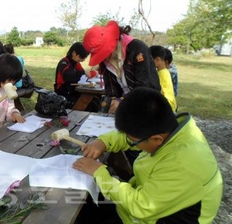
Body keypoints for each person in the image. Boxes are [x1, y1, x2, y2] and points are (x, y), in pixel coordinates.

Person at [73, 87, 223, 224]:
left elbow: (142, 207)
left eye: (133, 142)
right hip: (143, 204)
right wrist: (103, 142)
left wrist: (99, 172)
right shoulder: (170, 129)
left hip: (153, 216)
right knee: (88, 208)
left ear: (157, 139)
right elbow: (130, 136)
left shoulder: (181, 164)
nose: (130, 143)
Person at [83, 20, 161, 114]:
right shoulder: (104, 60)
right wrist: (113, 101)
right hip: (126, 105)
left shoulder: (137, 48)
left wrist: (121, 101)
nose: (103, 57)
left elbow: (143, 86)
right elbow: (110, 87)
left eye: (103, 52)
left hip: (147, 102)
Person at [54, 42, 98, 110]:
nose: (83, 59)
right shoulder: (64, 63)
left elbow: (82, 73)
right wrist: (82, 73)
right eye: (82, 57)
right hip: (63, 94)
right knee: (89, 105)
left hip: (73, 91)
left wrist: (85, 73)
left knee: (95, 100)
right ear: (74, 53)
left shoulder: (75, 63)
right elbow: (70, 78)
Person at [149, 45, 177, 111]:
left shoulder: (162, 74)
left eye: (150, 60)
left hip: (168, 107)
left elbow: (160, 92)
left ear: (157, 59)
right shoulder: (163, 72)